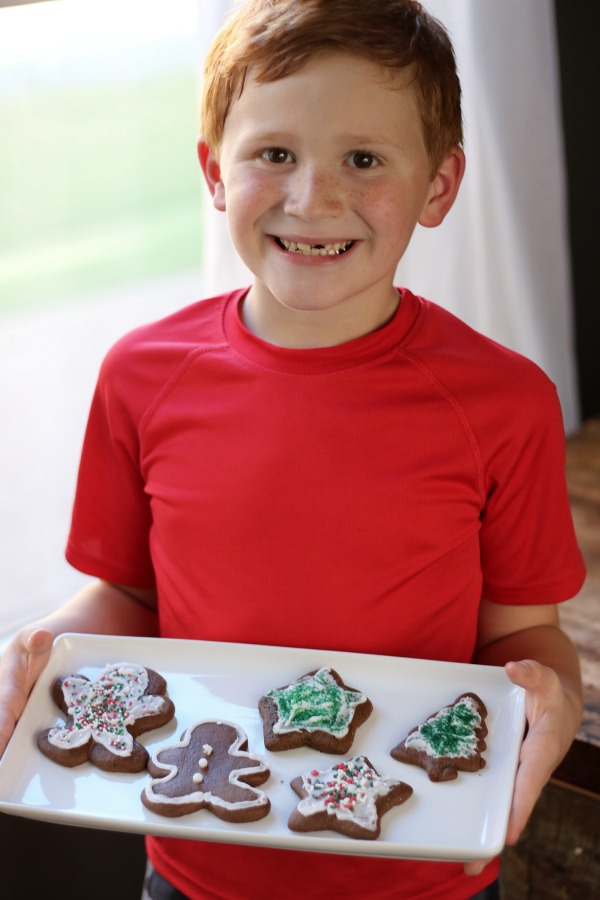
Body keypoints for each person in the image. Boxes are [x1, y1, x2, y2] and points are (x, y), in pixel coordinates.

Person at [0, 1, 586, 898]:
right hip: (194, 867)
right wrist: (39, 651)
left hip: (426, 880)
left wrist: (552, 698)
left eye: (363, 159)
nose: (312, 198)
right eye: (274, 154)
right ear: (214, 171)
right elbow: (125, 594)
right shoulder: (140, 376)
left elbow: (522, 631)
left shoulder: (504, 402)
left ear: (439, 185)